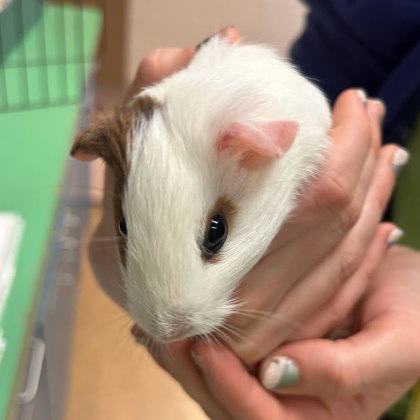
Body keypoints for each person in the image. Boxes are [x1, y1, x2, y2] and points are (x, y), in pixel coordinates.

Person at [85, 25, 420, 419]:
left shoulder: (259, 139)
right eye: (126, 229)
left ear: (251, 148)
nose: (169, 325)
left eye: (215, 234)